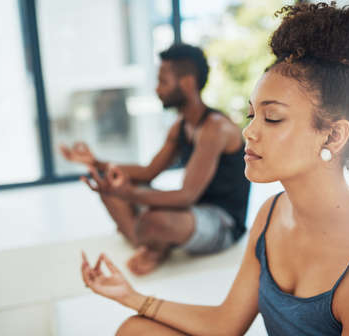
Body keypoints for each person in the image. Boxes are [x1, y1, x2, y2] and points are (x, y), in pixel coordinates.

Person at [80, 2, 349, 335]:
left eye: (273, 118)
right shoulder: (271, 213)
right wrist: (131, 296)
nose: (249, 131)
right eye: (252, 115)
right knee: (136, 329)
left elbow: (186, 194)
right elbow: (226, 324)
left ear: (334, 135)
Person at [61, 44, 250, 275]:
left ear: (187, 83)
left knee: (155, 219)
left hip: (222, 222)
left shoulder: (215, 128)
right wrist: (97, 163)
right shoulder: (181, 127)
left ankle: (148, 239)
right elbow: (148, 172)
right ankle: (151, 244)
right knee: (111, 181)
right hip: (191, 210)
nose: (157, 90)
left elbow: (185, 196)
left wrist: (128, 194)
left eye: (163, 81)